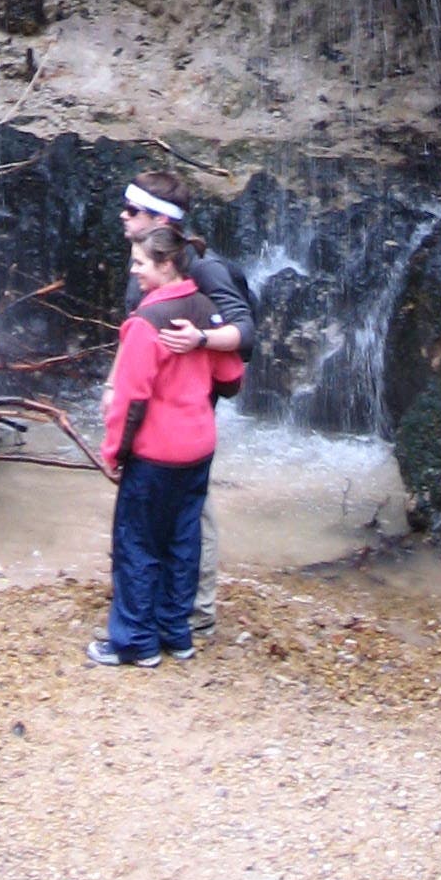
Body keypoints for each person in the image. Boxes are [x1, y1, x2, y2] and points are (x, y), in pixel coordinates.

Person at [118, 174, 255, 637]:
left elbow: (245, 335)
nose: (123, 215)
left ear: (160, 220)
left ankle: (195, 610)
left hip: (190, 410)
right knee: (172, 513)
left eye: (132, 210)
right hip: (167, 409)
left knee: (193, 513)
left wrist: (199, 339)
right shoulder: (150, 265)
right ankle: (165, 605)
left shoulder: (206, 271)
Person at [89, 224, 215, 665]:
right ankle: (175, 634)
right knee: (183, 540)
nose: (133, 270)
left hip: (156, 453)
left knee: (137, 543)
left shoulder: (146, 323)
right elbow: (232, 377)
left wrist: (112, 454)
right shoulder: (204, 307)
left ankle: (135, 642)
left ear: (165, 264)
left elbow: (129, 399)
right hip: (198, 447)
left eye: (140, 263)